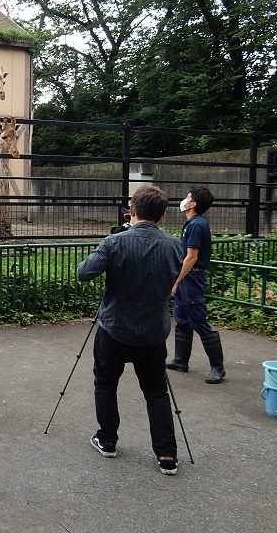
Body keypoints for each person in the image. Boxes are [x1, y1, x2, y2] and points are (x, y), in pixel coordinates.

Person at [77, 185, 184, 476]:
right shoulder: (175, 246)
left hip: (114, 329)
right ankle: (166, 455)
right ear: (162, 216)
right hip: (153, 332)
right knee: (156, 392)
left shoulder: (115, 243)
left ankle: (107, 439)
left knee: (106, 383)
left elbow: (84, 272)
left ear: (132, 210)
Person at [168, 186, 225, 383]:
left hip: (192, 277)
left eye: (187, 197)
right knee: (182, 317)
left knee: (198, 318)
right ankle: (180, 360)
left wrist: (177, 280)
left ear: (193, 204)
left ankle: (218, 367)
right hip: (189, 277)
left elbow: (191, 257)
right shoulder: (192, 223)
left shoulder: (195, 225)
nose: (183, 200)